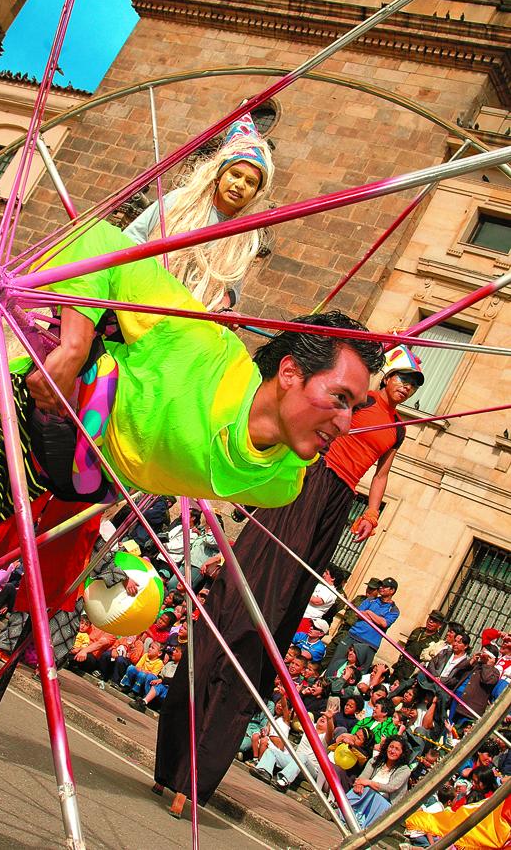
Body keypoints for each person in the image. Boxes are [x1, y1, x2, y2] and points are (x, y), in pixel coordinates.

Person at [0, 211, 382, 682]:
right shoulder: (200, 345)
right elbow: (94, 237)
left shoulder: (281, 485)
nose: (345, 422)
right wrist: (75, 345)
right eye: (339, 398)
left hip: (69, 480)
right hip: (12, 421)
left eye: (355, 408)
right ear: (289, 373)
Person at [155, 345, 423, 812]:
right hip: (313, 474)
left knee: (286, 600)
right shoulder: (360, 400)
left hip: (340, 499)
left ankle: (202, 762)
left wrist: (374, 511)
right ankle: (177, 765)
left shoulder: (396, 431)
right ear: (386, 377)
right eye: (402, 378)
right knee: (257, 589)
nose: (406, 388)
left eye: (415, 385)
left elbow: (381, 474)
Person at [123, 111, 274, 311]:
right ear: (219, 175)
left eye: (250, 182)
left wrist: (221, 308)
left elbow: (230, 290)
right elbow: (131, 239)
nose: (240, 185)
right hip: (136, 297)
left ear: (256, 192)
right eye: (235, 174)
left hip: (184, 320)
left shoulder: (245, 238)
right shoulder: (179, 201)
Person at [328, 577, 401, 674]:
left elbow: (384, 623)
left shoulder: (393, 610)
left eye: (385, 587)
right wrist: (376, 619)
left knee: (357, 673)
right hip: (353, 636)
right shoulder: (370, 600)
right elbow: (358, 613)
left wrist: (369, 612)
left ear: (392, 590)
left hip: (370, 644)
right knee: (335, 665)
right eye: (381, 586)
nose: (381, 588)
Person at [346, 735, 412, 827]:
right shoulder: (375, 760)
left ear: (402, 753)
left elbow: (390, 788)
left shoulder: (405, 770)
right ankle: (344, 809)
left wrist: (368, 783)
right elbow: (363, 777)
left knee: (369, 789)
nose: (392, 751)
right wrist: (359, 784)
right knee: (362, 789)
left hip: (386, 804)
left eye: (397, 749)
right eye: (391, 747)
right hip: (366, 794)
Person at [391, 610, 446, 683]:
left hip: (411, 672)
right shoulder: (417, 631)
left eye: (434, 621)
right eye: (430, 618)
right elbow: (407, 647)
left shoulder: (436, 641)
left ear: (440, 625)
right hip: (400, 666)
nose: (430, 622)